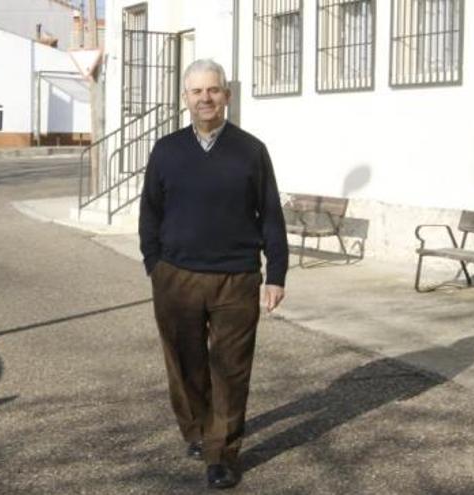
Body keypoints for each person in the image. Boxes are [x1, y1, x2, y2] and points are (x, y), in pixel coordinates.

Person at [139, 58, 289, 490]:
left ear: (227, 94)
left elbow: (271, 216)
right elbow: (150, 212)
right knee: (186, 366)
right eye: (196, 91)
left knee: (231, 369)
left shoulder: (250, 150)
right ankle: (197, 430)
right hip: (177, 277)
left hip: (236, 278)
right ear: (185, 97)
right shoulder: (167, 150)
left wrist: (275, 272)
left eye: (213, 90)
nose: (205, 98)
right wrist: (155, 265)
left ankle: (220, 452)